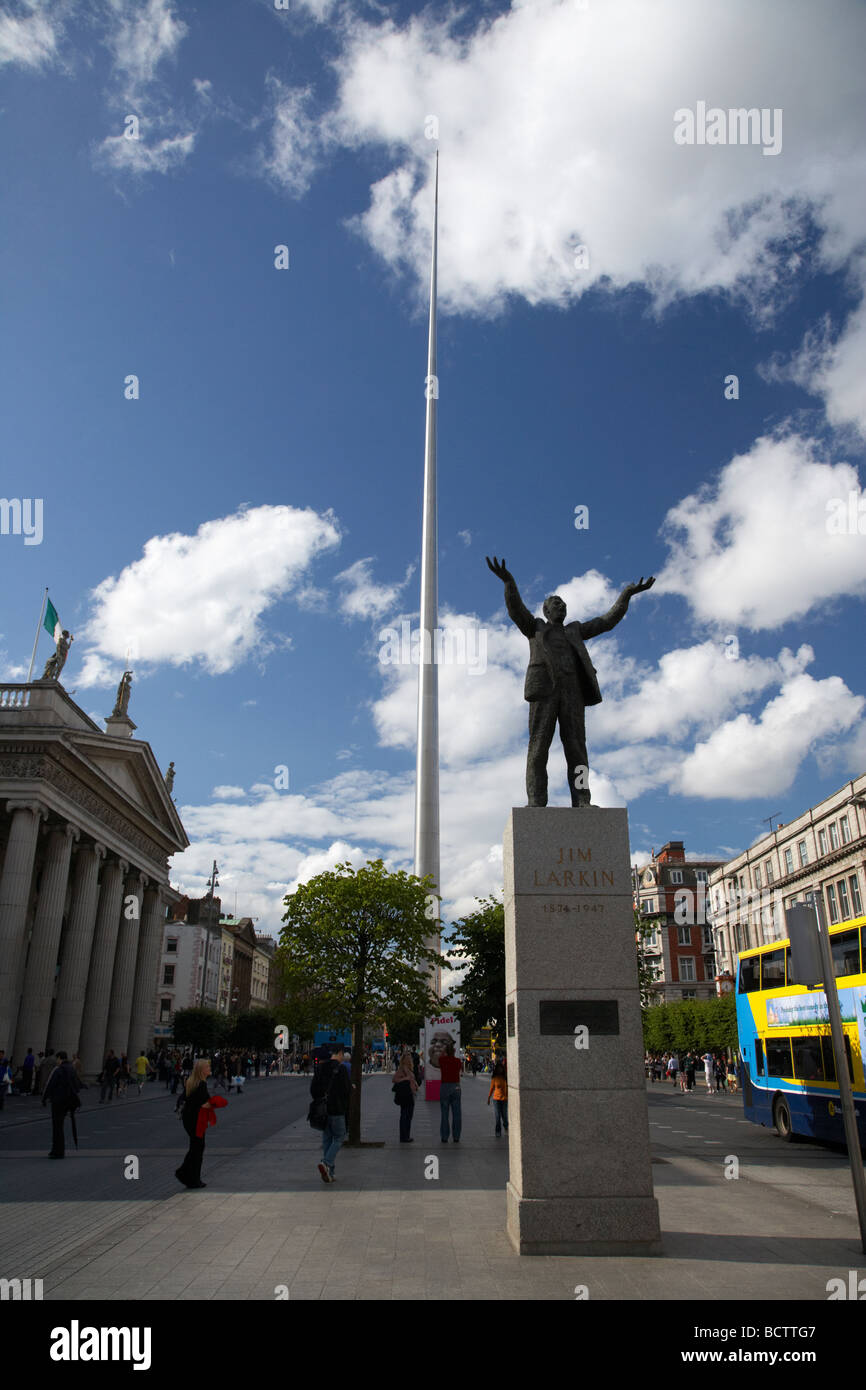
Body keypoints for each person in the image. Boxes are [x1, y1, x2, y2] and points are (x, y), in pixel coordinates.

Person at [310, 1045, 351, 1183]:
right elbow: (346, 1091)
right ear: (339, 1053)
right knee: (340, 1136)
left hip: (323, 1110)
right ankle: (326, 1162)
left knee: (327, 1138)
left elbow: (313, 1089)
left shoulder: (320, 1068)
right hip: (337, 1109)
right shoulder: (342, 1068)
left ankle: (330, 1173)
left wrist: (320, 1100)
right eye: (342, 1054)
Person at [176, 1059, 213, 1189]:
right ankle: (191, 1178)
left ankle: (187, 1175)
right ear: (201, 1070)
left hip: (189, 1119)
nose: (209, 1068)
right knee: (198, 1148)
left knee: (195, 1147)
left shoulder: (192, 1082)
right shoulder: (201, 1084)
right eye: (207, 1066)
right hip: (196, 1120)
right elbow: (203, 1104)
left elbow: (183, 1099)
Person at [42, 1051, 82, 1158]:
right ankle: (59, 1150)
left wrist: (44, 1098)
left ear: (59, 1058)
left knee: (57, 1126)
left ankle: (57, 1151)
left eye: (57, 1059)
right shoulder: (72, 1069)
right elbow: (77, 1085)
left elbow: (50, 1085)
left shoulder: (58, 1070)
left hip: (58, 1101)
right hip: (68, 1102)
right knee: (60, 1126)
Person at [438, 1040, 463, 1143]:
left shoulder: (442, 1060)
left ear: (446, 1051)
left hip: (445, 1087)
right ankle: (456, 1137)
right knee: (457, 1114)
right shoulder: (458, 1061)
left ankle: (444, 1137)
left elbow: (441, 1056)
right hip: (456, 1087)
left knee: (444, 1114)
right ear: (454, 1051)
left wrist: (445, 1051)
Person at [392, 1053, 418, 1143]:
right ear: (403, 1060)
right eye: (407, 1058)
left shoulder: (409, 1068)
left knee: (408, 1116)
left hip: (410, 1094)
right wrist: (405, 1079)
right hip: (406, 1095)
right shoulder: (402, 1068)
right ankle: (404, 1137)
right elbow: (394, 1079)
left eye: (409, 1058)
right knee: (405, 1115)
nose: (409, 1059)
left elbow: (411, 1079)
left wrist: (415, 1084)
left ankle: (406, 1135)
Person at [487, 1059, 508, 1136]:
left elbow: (508, 1088)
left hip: (504, 1099)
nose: (500, 1070)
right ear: (496, 1069)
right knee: (497, 1116)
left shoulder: (505, 1078)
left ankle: (506, 1126)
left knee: (504, 1116)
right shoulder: (494, 1078)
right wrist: (489, 1097)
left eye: (501, 1068)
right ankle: (498, 1131)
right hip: (496, 1099)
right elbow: (492, 1088)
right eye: (498, 1068)